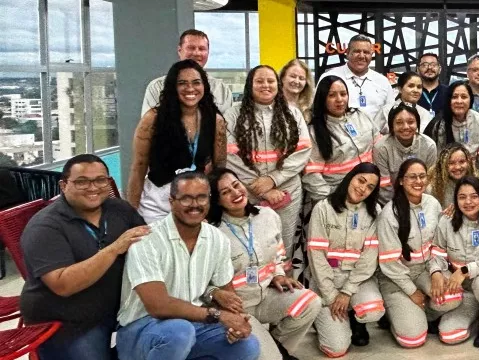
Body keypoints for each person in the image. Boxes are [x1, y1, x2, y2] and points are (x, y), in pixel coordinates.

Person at [115, 172, 260, 360]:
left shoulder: (217, 239)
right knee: (179, 332)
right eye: (186, 198)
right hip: (140, 330)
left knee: (247, 349)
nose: (195, 205)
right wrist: (219, 316)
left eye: (201, 197)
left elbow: (226, 295)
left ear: (209, 200)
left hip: (191, 327)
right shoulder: (147, 240)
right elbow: (158, 306)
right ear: (171, 201)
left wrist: (235, 323)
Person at [19, 155, 148, 360]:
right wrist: (115, 248)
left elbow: (148, 245)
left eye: (100, 180)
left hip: (117, 311)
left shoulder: (118, 209)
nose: (93, 188)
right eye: (82, 182)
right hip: (67, 321)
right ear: (63, 185)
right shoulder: (45, 226)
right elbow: (63, 284)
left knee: (173, 331)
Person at [207, 169, 321, 360]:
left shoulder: (267, 215)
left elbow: (277, 252)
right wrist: (216, 295)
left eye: (236, 184)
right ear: (217, 201)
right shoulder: (212, 232)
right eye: (225, 192)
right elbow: (202, 282)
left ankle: (275, 345)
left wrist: (278, 274)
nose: (235, 192)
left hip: (266, 298)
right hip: (238, 309)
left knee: (309, 301)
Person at [225, 65, 312, 258]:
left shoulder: (292, 113)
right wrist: (262, 188)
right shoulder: (233, 114)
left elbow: (303, 150)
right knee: (252, 246)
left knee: (284, 246)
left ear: (277, 84)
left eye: (270, 81)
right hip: (248, 192)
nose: (266, 85)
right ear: (250, 84)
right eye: (260, 81)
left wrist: (273, 179)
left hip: (286, 193)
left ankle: (284, 281)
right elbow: (230, 155)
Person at [128, 60, 227, 224]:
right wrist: (130, 216)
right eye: (182, 83)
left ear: (204, 86)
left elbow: (220, 167)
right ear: (173, 87)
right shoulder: (152, 119)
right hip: (158, 203)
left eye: (196, 83)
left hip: (197, 202)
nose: (190, 88)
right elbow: (138, 168)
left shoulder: (216, 121)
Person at [376, 159, 457, 348]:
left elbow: (437, 243)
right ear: (402, 181)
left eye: (422, 176)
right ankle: (395, 313)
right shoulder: (390, 214)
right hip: (396, 279)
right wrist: (411, 291)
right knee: (413, 339)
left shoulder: (432, 204)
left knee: (452, 297)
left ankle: (420, 313)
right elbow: (389, 263)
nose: (418, 181)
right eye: (412, 177)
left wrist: (436, 271)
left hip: (425, 269)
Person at [307, 163, 386, 357]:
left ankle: (354, 316)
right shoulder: (323, 208)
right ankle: (326, 321)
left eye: (370, 187)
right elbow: (316, 257)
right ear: (350, 177)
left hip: (358, 280)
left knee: (373, 311)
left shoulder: (374, 211)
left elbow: (368, 257)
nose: (363, 189)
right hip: (327, 280)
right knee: (336, 349)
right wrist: (332, 295)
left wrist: (347, 292)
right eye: (361, 180)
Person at [430, 175, 479, 347]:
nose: (468, 202)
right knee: (449, 335)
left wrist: (465, 270)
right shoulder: (447, 220)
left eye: (474, 196)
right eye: (462, 197)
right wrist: (436, 271)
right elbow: (437, 252)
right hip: (461, 288)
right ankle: (471, 312)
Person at [303, 76, 378, 204]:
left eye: (343, 94)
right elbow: (312, 175)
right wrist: (331, 199)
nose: (339, 100)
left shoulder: (360, 116)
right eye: (332, 95)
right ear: (323, 98)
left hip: (368, 190)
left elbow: (379, 147)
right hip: (336, 195)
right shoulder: (314, 131)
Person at [141, 29, 233, 115]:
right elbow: (148, 128)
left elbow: (226, 128)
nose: (197, 53)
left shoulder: (221, 89)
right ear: (179, 50)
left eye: (202, 49)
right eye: (191, 48)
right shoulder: (157, 87)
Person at [424, 80, 479, 178]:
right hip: (444, 178)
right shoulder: (439, 124)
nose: (459, 101)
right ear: (449, 100)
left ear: (471, 100)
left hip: (473, 177)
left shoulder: (478, 120)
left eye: (464, 97)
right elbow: (434, 162)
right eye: (454, 97)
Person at [373, 104, 438, 205]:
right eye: (399, 123)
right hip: (390, 202)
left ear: (417, 123)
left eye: (411, 122)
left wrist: (418, 204)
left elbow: (430, 182)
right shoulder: (381, 148)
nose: (406, 127)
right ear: (391, 126)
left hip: (421, 200)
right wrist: (399, 207)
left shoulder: (429, 145)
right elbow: (384, 187)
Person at [318, 35, 394, 120]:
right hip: (338, 132)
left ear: (371, 55)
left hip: (377, 133)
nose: (361, 56)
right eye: (357, 51)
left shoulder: (382, 81)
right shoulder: (329, 78)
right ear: (347, 53)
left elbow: (391, 114)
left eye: (366, 52)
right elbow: (318, 110)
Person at [428, 143, 479, 212]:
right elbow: (430, 218)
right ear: (443, 165)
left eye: (462, 162)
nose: (457, 167)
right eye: (451, 163)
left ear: (468, 162)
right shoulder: (433, 189)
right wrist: (443, 218)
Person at [373, 71, 435, 135]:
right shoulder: (386, 110)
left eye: (419, 87)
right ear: (400, 89)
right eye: (411, 86)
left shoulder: (426, 114)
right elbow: (373, 134)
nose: (416, 90)